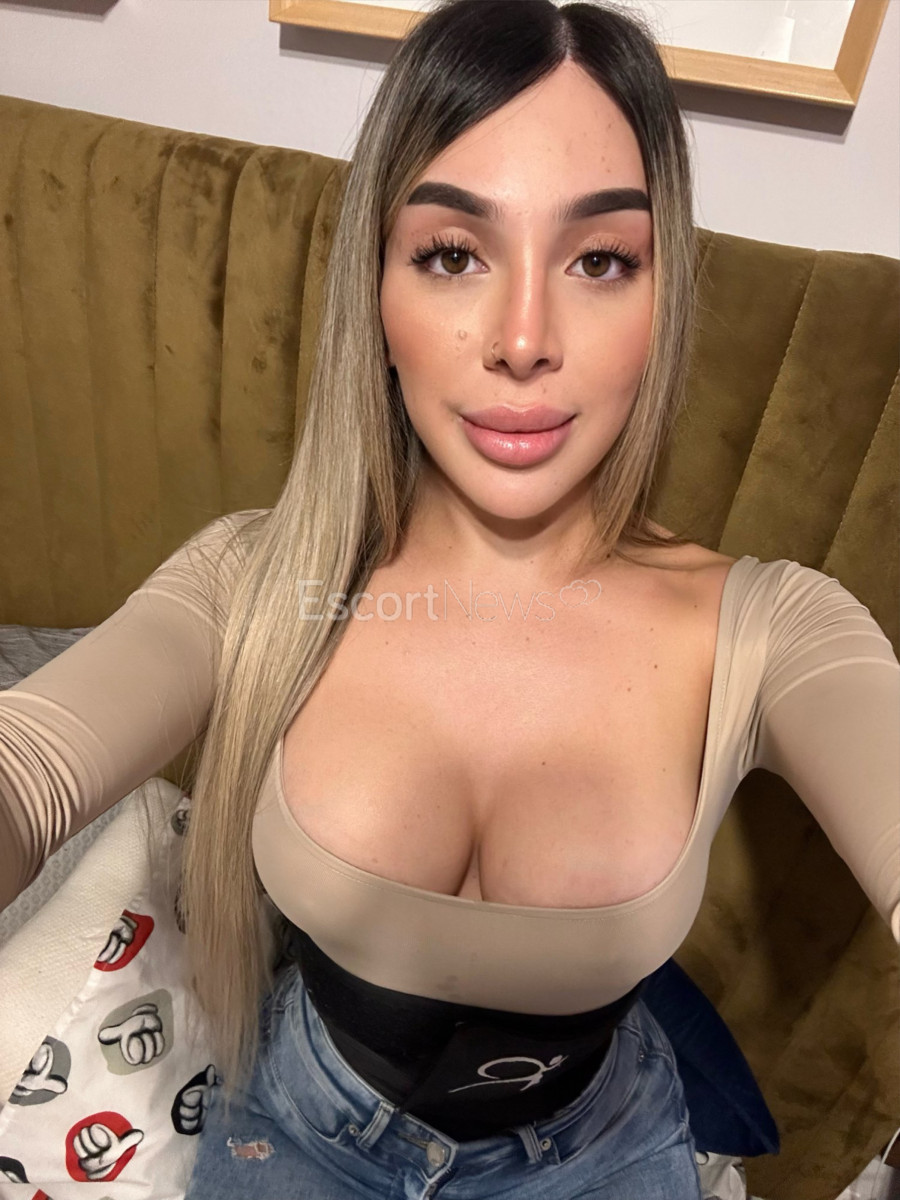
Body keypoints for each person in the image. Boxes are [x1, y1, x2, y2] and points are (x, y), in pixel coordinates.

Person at [0, 0, 896, 1196]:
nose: (523, 339)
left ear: (660, 302)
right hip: (303, 1127)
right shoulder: (256, 582)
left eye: (599, 260)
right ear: (378, 293)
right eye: (452, 254)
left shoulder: (774, 631)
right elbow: (27, 770)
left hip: (601, 1148)